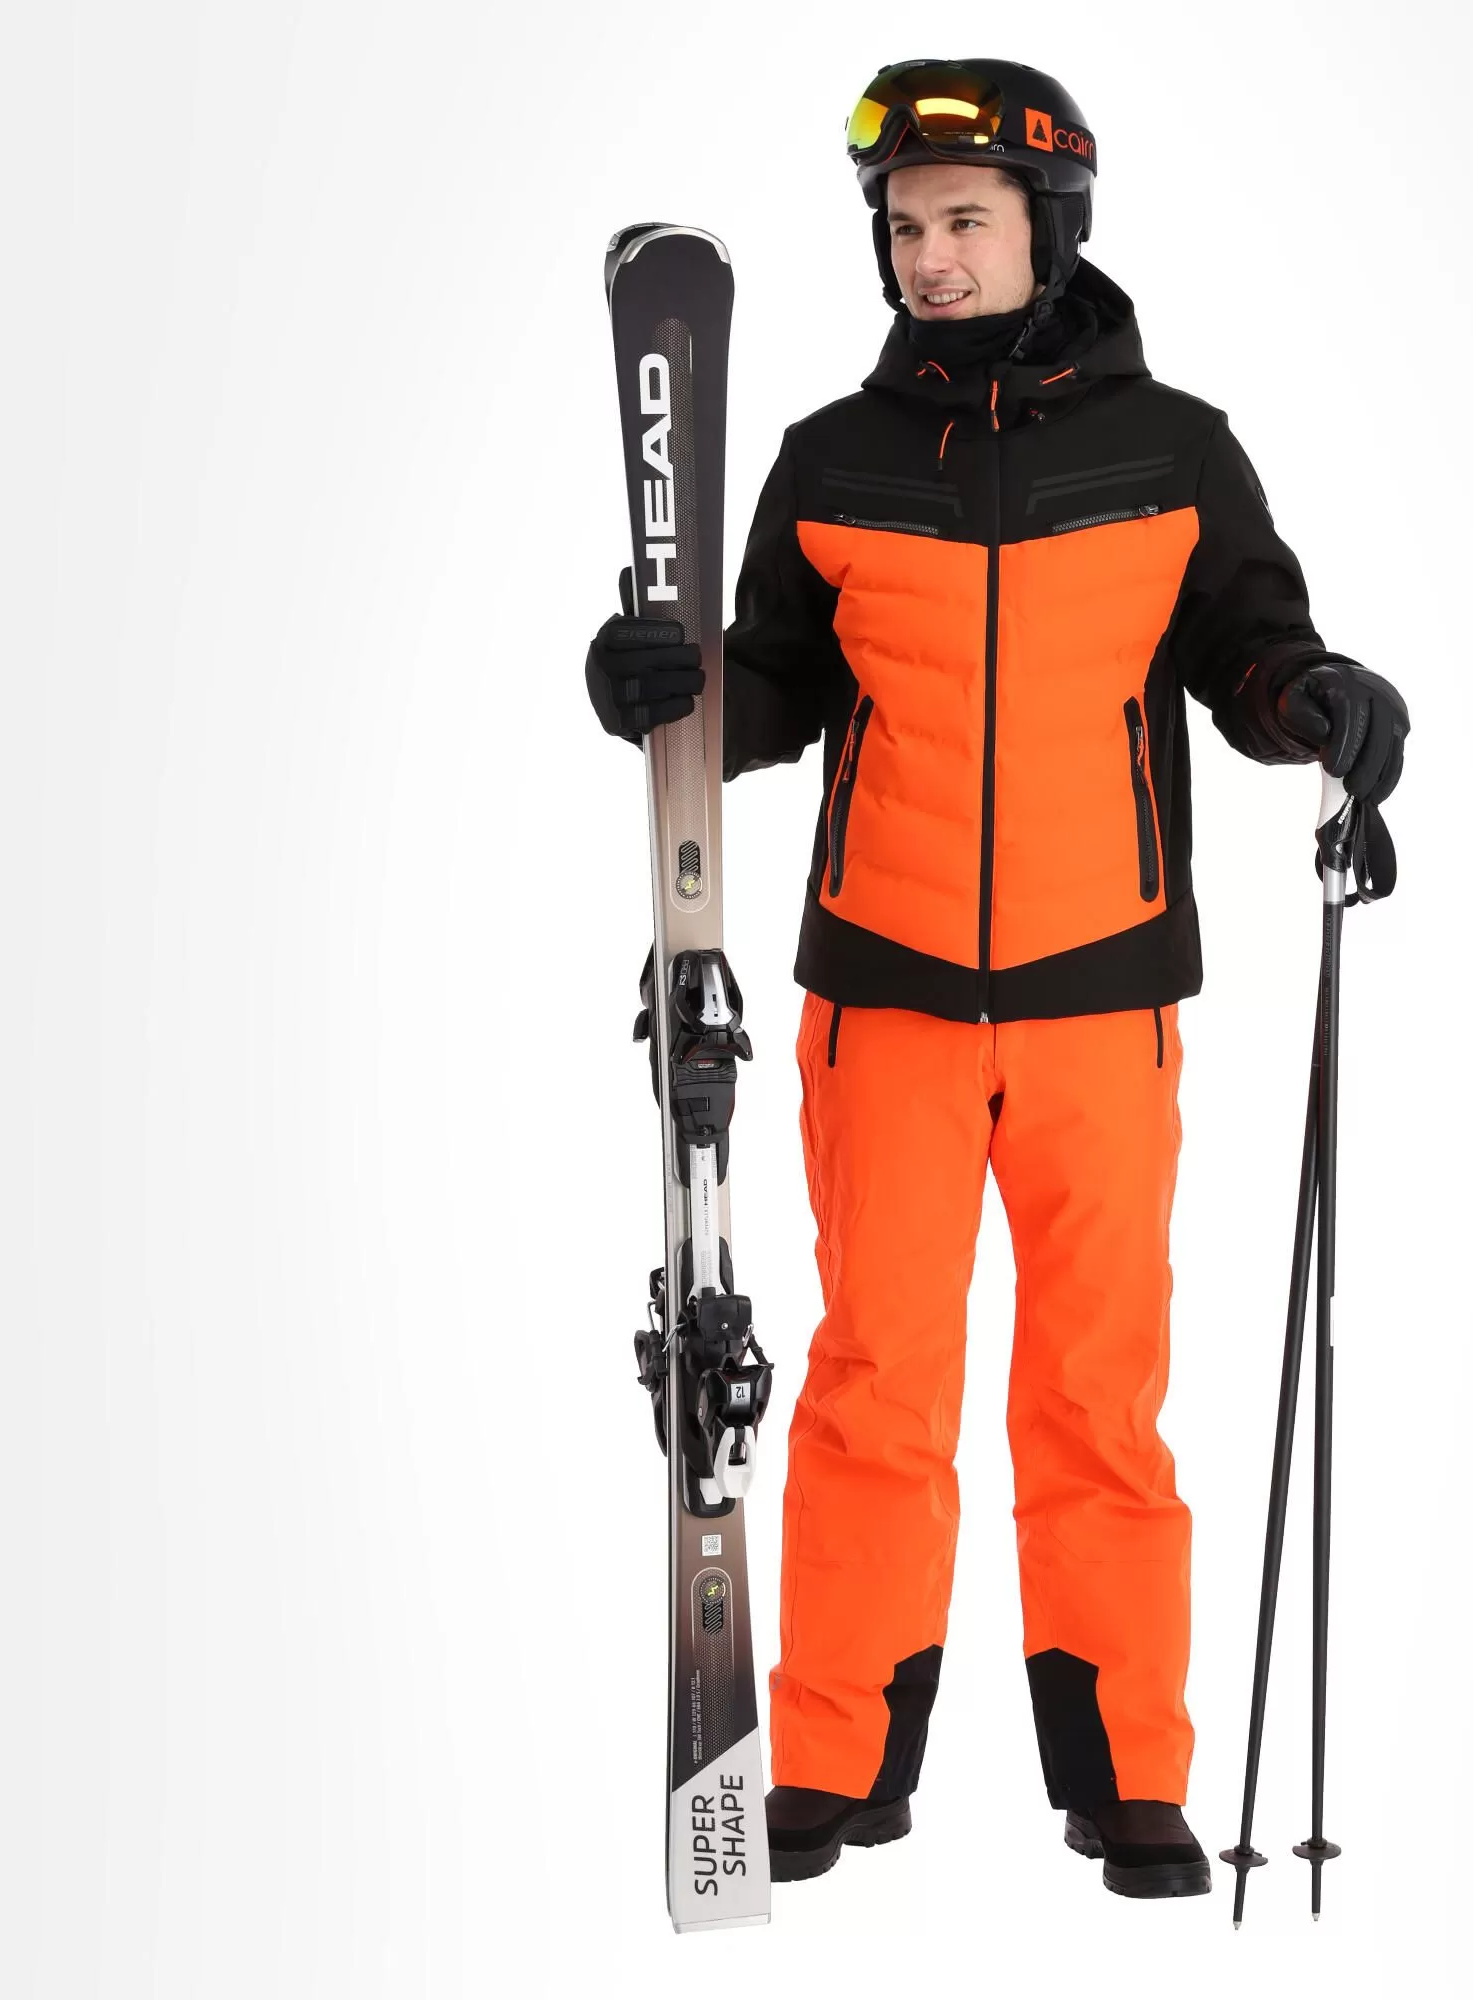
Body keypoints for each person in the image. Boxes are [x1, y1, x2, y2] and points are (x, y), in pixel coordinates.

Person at [585, 57, 1409, 1900]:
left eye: (963, 221)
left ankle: (1129, 1777)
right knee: (875, 1379)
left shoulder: (1175, 452)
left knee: (1097, 1392)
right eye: (903, 228)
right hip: (880, 999)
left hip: (1102, 1001)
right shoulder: (831, 459)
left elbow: (1253, 654)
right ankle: (830, 1758)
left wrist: (1324, 704)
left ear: (1052, 227)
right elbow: (769, 689)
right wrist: (664, 678)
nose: (930, 257)